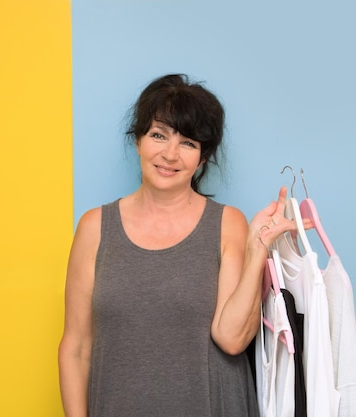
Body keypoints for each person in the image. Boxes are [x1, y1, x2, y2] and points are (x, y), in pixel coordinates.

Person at [58, 74, 298, 417]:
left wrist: (257, 248)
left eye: (188, 143)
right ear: (138, 141)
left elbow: (231, 339)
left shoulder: (228, 223)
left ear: (202, 158)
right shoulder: (95, 228)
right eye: (158, 135)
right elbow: (76, 347)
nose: (170, 154)